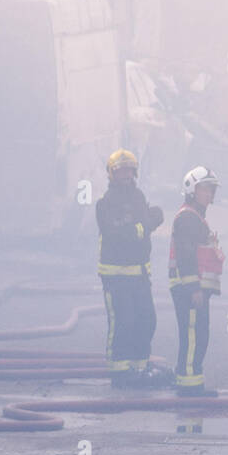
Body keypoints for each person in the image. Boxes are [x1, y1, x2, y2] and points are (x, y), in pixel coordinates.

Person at [96, 150, 171, 389]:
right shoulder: (105, 203)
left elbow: (136, 227)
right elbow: (118, 234)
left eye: (130, 170)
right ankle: (119, 371)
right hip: (115, 276)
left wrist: (144, 223)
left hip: (139, 274)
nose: (126, 175)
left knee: (146, 320)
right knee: (122, 322)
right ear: (112, 174)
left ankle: (140, 367)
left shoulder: (138, 196)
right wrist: (146, 224)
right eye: (121, 171)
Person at [168, 166, 225, 397]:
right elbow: (186, 255)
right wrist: (194, 288)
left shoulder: (196, 219)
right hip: (190, 289)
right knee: (194, 335)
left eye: (211, 190)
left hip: (195, 288)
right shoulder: (188, 219)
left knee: (197, 334)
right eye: (205, 189)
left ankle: (189, 379)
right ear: (192, 189)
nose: (209, 194)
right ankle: (190, 386)